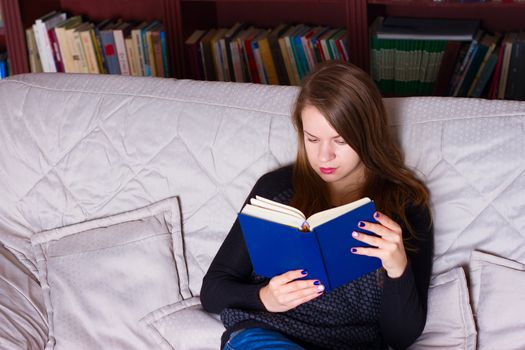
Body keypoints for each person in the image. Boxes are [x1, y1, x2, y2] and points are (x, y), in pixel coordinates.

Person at [200, 61, 433, 350]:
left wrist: (398, 269)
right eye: (313, 139)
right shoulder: (275, 190)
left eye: (341, 140)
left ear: (368, 135)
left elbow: (400, 338)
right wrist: (264, 298)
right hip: (267, 336)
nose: (325, 156)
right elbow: (211, 291)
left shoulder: (406, 205)